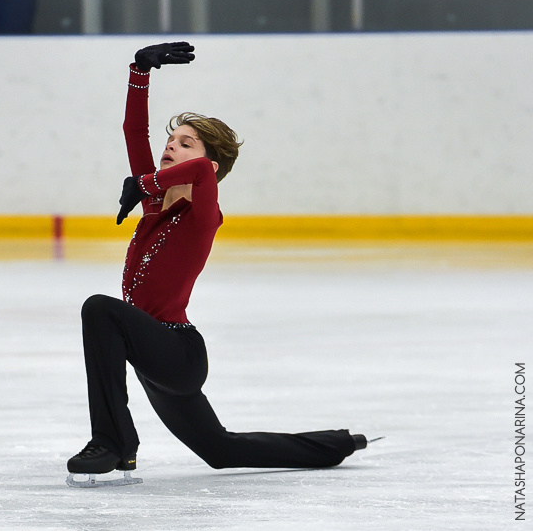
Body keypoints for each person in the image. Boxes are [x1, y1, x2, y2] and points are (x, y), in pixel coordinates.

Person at [67, 42, 368, 483]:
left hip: (178, 353)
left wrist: (144, 182)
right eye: (170, 141)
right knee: (220, 449)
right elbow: (133, 131)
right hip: (153, 353)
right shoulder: (154, 204)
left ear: (207, 157)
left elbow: (203, 173)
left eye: (184, 143)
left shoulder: (202, 214)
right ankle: (337, 443)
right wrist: (139, 71)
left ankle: (113, 442)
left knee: (99, 308)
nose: (170, 146)